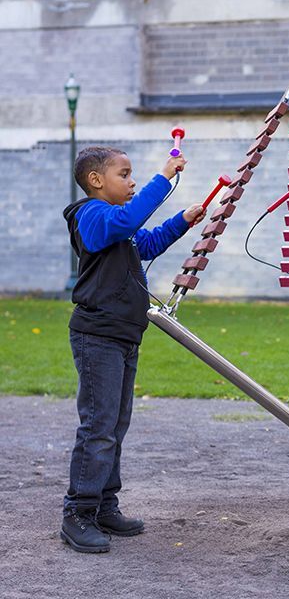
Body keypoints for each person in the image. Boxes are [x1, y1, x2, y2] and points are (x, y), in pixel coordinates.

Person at [61, 146, 206, 553]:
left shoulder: (119, 232)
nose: (132, 181)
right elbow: (127, 220)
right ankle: (78, 513)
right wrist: (164, 178)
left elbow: (148, 242)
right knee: (98, 427)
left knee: (115, 426)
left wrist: (182, 220)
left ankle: (105, 505)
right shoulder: (90, 216)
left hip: (124, 336)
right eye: (124, 174)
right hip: (98, 335)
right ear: (96, 181)